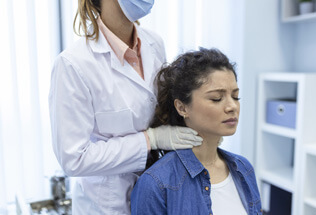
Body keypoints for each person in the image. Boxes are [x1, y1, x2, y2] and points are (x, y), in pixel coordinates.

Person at [48, 0, 202, 214]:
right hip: (107, 206)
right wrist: (150, 140)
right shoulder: (74, 64)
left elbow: (163, 109)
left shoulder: (154, 43)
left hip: (156, 196)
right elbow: (75, 159)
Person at [131, 48, 262, 215]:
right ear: (182, 107)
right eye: (217, 98)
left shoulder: (244, 168)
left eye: (235, 97)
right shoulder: (156, 184)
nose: (232, 107)